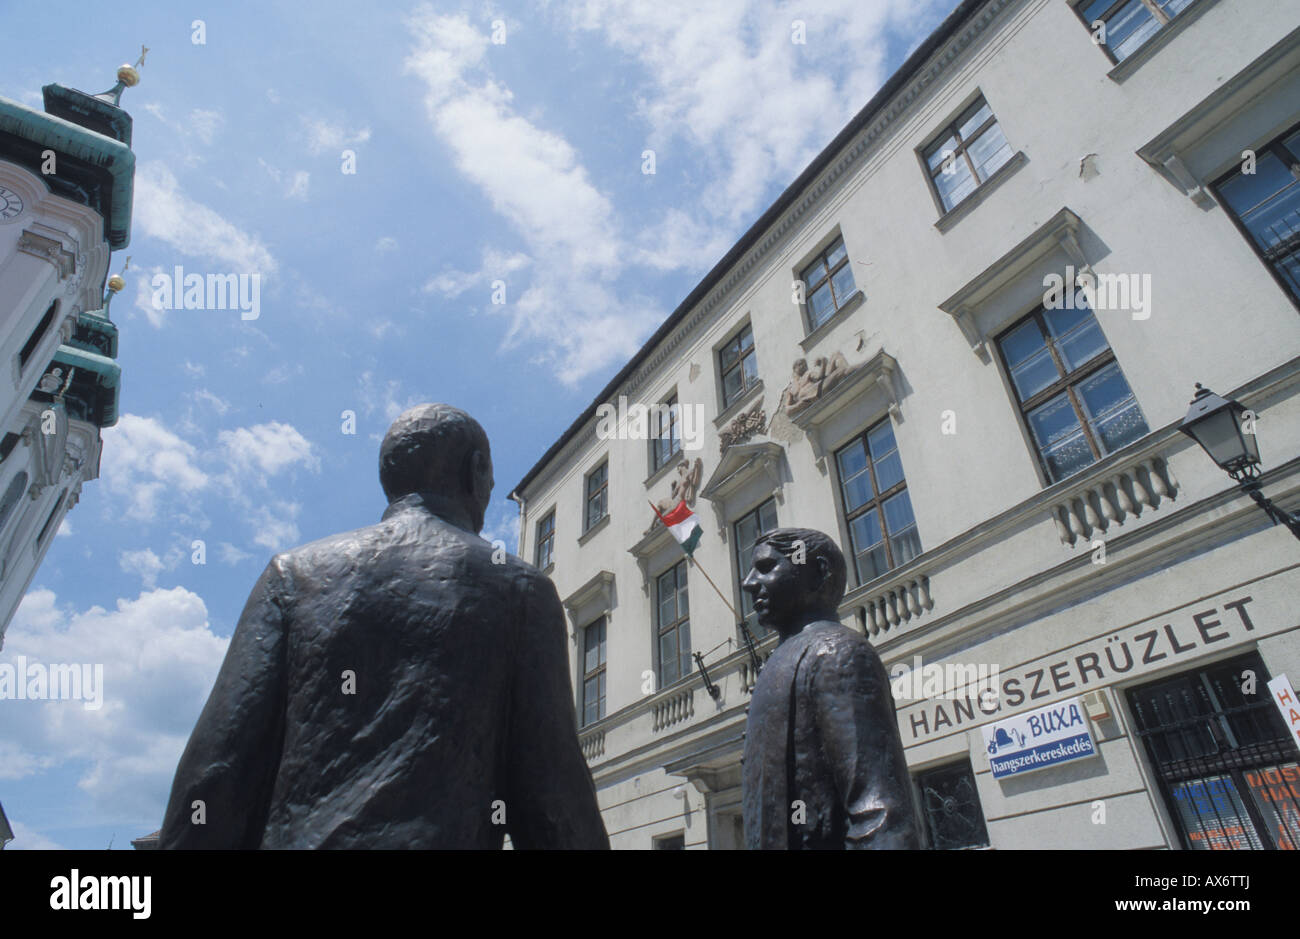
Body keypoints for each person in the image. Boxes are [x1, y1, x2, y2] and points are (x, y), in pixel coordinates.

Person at [159, 404, 609, 849]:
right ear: (476, 472)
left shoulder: (292, 575)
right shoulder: (520, 590)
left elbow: (215, 774)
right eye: (490, 480)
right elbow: (555, 801)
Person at [740, 527, 919, 849]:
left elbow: (879, 815)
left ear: (819, 571)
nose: (749, 582)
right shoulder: (784, 661)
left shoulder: (838, 652)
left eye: (767, 567)